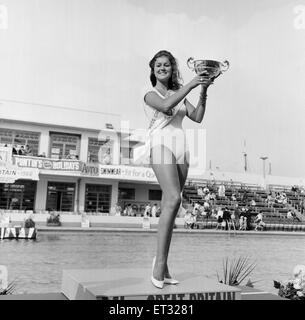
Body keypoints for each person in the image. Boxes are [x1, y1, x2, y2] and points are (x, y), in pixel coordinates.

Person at [138, 50, 215, 289]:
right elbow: (164, 105)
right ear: (153, 70)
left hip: (182, 148)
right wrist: (192, 83)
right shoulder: (149, 94)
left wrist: (204, 89)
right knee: (173, 197)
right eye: (158, 65)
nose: (162, 68)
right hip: (160, 144)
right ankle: (158, 265)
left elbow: (198, 117)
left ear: (173, 69)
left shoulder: (180, 93)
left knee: (172, 208)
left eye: (167, 65)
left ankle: (164, 264)